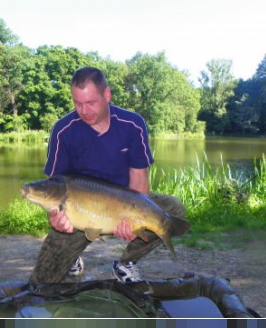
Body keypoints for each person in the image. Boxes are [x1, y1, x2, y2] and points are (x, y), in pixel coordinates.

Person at [29, 67, 186, 285]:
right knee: (40, 283)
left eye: (91, 102)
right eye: (78, 103)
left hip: (122, 207)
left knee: (172, 209)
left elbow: (139, 183)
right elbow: (54, 189)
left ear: (107, 95)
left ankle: (126, 264)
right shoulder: (63, 130)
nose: (84, 111)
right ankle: (72, 257)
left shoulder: (132, 125)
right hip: (80, 213)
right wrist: (56, 220)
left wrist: (134, 224)